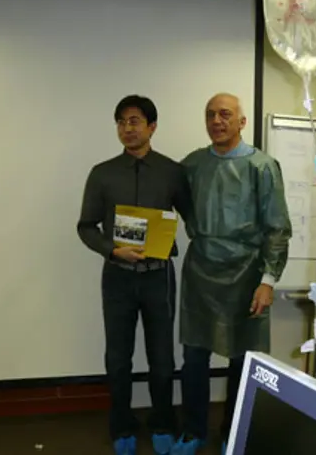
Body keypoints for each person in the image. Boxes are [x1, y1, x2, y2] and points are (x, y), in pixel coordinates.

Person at [172, 93, 292, 455]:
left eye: (225, 114)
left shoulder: (262, 166)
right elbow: (174, 202)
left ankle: (233, 433)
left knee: (242, 358)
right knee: (194, 356)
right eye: (210, 115)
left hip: (247, 273)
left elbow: (277, 228)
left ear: (242, 121)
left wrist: (268, 281)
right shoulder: (192, 164)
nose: (216, 121)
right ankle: (193, 431)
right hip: (201, 271)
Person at [77, 95, 191, 455]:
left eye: (135, 121)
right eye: (121, 122)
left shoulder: (172, 171)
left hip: (159, 277)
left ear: (152, 127)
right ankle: (121, 426)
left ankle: (162, 422)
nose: (127, 128)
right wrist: (112, 249)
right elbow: (86, 226)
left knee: (162, 357)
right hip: (118, 276)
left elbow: (192, 218)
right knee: (117, 357)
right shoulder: (102, 173)